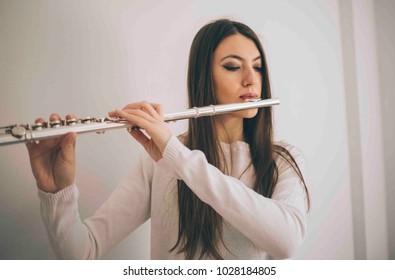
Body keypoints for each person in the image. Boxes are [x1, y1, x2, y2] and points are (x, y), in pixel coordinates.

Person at [26, 19, 309, 260]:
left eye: (257, 67)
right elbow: (83, 251)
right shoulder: (159, 161)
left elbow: (286, 241)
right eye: (233, 67)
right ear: (204, 78)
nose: (251, 80)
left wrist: (177, 154)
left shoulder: (282, 159)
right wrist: (57, 193)